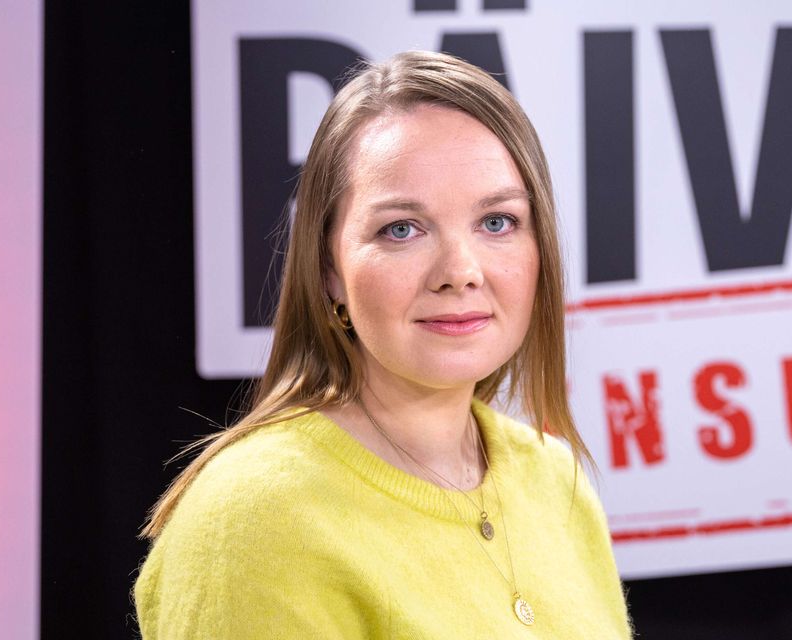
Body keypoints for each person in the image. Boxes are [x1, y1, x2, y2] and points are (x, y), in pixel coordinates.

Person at [133, 50, 633, 639]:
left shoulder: (554, 479)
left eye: (497, 221)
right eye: (401, 229)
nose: (460, 272)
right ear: (329, 270)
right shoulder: (251, 519)